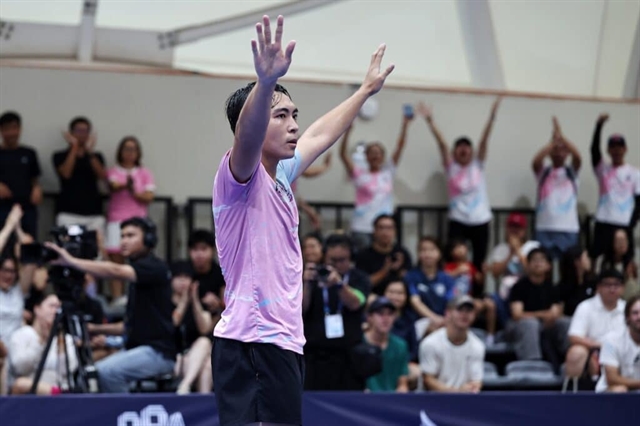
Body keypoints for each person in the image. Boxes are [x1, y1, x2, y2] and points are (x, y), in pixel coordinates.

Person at [210, 15, 394, 426]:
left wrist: (364, 91)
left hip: (284, 344)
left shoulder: (282, 176)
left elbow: (320, 135)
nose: (293, 125)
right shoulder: (238, 178)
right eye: (280, 116)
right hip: (252, 343)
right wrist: (265, 83)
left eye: (294, 114)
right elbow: (247, 137)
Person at [43, 217, 176, 393]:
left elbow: (115, 270)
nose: (124, 241)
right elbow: (128, 326)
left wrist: (71, 261)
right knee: (87, 373)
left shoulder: (153, 267)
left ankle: (125, 410)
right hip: (135, 348)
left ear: (148, 239)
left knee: (106, 372)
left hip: (158, 352)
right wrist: (95, 329)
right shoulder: (137, 277)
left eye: (131, 236)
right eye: (122, 236)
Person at [417, 97, 501, 271]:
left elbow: (484, 141)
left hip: (480, 220)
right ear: (454, 152)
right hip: (458, 220)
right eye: (460, 147)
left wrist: (491, 118)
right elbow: (441, 144)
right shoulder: (451, 167)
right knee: (452, 259)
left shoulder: (478, 165)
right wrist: (430, 121)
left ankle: (477, 288)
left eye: (467, 147)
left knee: (479, 262)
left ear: (472, 151)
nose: (463, 150)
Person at [302, 234, 370, 391]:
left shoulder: (359, 278)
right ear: (324, 256)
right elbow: (300, 310)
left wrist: (339, 284)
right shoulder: (313, 276)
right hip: (314, 355)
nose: (337, 264)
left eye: (342, 260)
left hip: (348, 356)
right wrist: (306, 284)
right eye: (332, 260)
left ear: (351, 258)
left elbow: (355, 303)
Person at [339, 113, 411, 250]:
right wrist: (347, 131)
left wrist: (405, 125)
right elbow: (343, 155)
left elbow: (400, 147)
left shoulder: (388, 172)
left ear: (383, 156)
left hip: (384, 227)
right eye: (372, 153)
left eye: (378, 153)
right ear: (366, 156)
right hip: (362, 226)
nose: (375, 156)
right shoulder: (359, 174)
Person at [105, 136, 155, 302]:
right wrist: (125, 185)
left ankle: (138, 297)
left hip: (138, 221)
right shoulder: (113, 171)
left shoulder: (144, 173)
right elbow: (112, 186)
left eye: (133, 149)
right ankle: (117, 298)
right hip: (116, 220)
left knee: (139, 259)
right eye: (126, 148)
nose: (130, 152)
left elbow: (149, 196)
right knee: (116, 261)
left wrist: (134, 191)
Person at [505, 248, 570, 370]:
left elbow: (556, 312)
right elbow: (517, 314)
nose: (538, 263)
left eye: (541, 260)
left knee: (565, 322)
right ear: (528, 265)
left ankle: (570, 359)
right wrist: (542, 315)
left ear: (548, 266)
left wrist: (550, 316)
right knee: (531, 324)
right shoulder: (519, 286)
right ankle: (532, 365)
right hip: (518, 326)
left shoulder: (552, 288)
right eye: (534, 260)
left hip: (545, 325)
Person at [564, 270, 626, 391]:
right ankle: (570, 392)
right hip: (592, 350)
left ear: (623, 288)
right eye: (607, 285)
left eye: (616, 285)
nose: (612, 289)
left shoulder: (629, 309)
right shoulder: (585, 307)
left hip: (622, 352)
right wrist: (600, 347)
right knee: (576, 352)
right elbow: (574, 337)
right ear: (599, 287)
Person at [590, 113, 640, 260]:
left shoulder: (635, 173)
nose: (616, 150)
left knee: (625, 264)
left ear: (625, 149)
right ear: (608, 150)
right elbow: (594, 151)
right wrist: (598, 126)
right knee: (598, 261)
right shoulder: (602, 169)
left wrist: (629, 227)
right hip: (603, 223)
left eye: (619, 147)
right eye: (613, 147)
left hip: (624, 224)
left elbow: (639, 204)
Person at [531, 117, 582, 260]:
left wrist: (562, 137)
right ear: (550, 152)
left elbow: (578, 157)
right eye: (555, 149)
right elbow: (535, 161)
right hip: (544, 227)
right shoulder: (544, 172)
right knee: (543, 264)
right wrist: (553, 142)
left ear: (567, 153)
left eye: (563, 150)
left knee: (569, 266)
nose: (559, 152)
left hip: (568, 228)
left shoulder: (571, 172)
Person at [9, 292, 78, 395]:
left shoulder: (67, 339)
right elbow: (20, 368)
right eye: (51, 306)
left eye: (58, 307)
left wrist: (60, 343)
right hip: (30, 393)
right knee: (21, 383)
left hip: (61, 392)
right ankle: (54, 392)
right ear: (37, 309)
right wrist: (41, 342)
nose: (55, 311)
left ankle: (57, 393)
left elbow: (67, 371)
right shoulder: (21, 334)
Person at [52, 117, 107, 234]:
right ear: (71, 133)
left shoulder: (96, 156)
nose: (82, 134)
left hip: (94, 213)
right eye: (78, 131)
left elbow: (102, 175)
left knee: (96, 245)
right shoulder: (59, 155)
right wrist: (74, 147)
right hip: (68, 212)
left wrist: (89, 151)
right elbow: (66, 174)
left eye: (85, 131)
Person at [419, 295, 485, 393]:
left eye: (469, 311)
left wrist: (472, 388)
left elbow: (476, 381)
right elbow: (428, 380)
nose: (465, 314)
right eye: (460, 310)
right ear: (448, 313)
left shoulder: (478, 346)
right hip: (432, 399)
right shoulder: (430, 343)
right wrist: (456, 392)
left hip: (464, 399)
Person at [488, 213, 540, 329]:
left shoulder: (533, 246)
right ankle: (498, 332)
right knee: (491, 301)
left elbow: (532, 271)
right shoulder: (501, 248)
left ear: (524, 230)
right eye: (512, 227)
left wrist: (518, 250)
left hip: (527, 292)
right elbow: (495, 273)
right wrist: (510, 253)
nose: (514, 230)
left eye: (518, 227)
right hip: (505, 293)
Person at [170, 261, 214, 394]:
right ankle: (201, 403)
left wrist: (194, 300)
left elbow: (205, 329)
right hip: (175, 357)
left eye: (186, 277)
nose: (182, 281)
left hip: (197, 354)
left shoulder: (199, 304)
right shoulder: (165, 302)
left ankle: (185, 386)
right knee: (205, 364)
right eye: (178, 277)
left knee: (205, 345)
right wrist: (184, 301)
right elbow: (174, 322)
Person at [443, 239, 496, 344]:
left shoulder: (470, 266)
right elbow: (443, 279)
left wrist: (484, 272)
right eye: (457, 247)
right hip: (453, 298)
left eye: (463, 247)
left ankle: (490, 336)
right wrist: (457, 271)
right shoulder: (448, 266)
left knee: (489, 305)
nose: (460, 250)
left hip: (468, 298)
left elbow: (479, 281)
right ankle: (462, 330)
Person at [0, 111, 42, 240]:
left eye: (14, 128)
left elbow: (35, 178)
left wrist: (37, 188)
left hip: (26, 207)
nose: (11, 133)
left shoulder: (29, 153)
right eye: (7, 129)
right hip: (2, 207)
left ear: (19, 129)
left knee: (28, 243)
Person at [405, 237, 455, 339]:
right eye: (423, 250)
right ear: (418, 254)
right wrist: (434, 318)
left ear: (439, 253)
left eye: (432, 249)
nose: (428, 254)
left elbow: (451, 303)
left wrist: (446, 320)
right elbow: (415, 302)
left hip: (444, 321)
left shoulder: (447, 279)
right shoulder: (411, 277)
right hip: (419, 321)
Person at [355, 214, 412, 297]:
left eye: (389, 228)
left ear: (395, 231)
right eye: (381, 228)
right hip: (374, 297)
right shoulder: (363, 255)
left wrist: (399, 270)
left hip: (398, 297)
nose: (385, 232)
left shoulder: (402, 253)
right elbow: (363, 284)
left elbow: (410, 282)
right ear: (374, 231)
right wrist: (385, 270)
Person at [363, 296, 410, 393]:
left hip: (392, 398)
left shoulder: (400, 345)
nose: (386, 319)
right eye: (380, 314)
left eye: (390, 314)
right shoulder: (358, 343)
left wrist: (401, 394)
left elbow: (402, 383)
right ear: (369, 317)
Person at [596, 294, 640, 392]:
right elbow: (612, 379)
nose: (639, 317)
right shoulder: (612, 340)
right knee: (620, 390)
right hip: (612, 390)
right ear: (627, 317)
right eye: (635, 313)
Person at [187, 230, 225, 315]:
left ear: (213, 250)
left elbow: (226, 303)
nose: (199, 254)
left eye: (204, 249)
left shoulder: (220, 274)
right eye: (195, 249)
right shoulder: (186, 273)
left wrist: (218, 303)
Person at [594, 229, 639, 300]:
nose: (622, 244)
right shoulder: (602, 260)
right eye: (619, 241)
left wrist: (629, 276)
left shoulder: (633, 261)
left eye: (624, 240)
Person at [558, 246, 596, 317]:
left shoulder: (593, 283)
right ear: (577, 262)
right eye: (586, 257)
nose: (589, 260)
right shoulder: (562, 288)